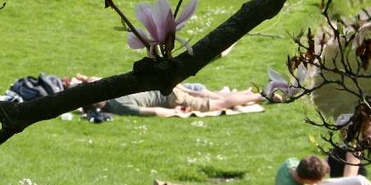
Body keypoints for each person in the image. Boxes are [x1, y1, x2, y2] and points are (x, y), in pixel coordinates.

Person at [88, 80, 265, 117]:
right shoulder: (114, 91)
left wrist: (174, 112)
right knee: (202, 93)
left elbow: (154, 110)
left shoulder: (118, 108)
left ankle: (262, 95)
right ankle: (247, 95)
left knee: (218, 104)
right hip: (166, 85)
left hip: (171, 96)